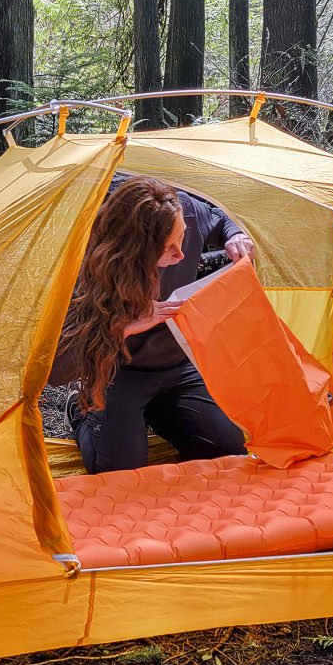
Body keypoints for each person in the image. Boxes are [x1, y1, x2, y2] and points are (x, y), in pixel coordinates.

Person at [50, 176, 255, 474]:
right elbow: (56, 370)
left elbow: (219, 219)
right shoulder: (89, 276)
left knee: (228, 451)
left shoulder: (181, 211)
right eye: (167, 249)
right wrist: (122, 328)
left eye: (182, 238)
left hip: (176, 366)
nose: (181, 254)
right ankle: (80, 413)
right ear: (132, 251)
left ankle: (158, 412)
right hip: (118, 372)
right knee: (118, 474)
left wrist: (234, 235)